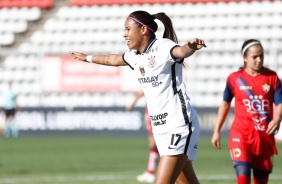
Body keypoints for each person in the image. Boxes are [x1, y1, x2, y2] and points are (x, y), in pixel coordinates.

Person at [71, 10, 206, 184]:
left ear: (143, 29)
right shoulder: (135, 56)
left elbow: (181, 51)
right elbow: (111, 59)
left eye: (128, 29)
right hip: (161, 128)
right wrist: (87, 58)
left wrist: (191, 47)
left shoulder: (162, 47)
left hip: (178, 124)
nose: (124, 34)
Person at [211, 39, 282, 184]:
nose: (259, 60)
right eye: (254, 57)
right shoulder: (235, 79)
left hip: (264, 138)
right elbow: (225, 104)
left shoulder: (272, 77)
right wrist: (216, 130)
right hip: (241, 136)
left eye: (261, 56)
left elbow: (280, 103)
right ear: (245, 58)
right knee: (243, 179)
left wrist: (277, 119)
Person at [125, 91, 159, 183]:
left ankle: (151, 173)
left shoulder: (150, 78)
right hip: (154, 108)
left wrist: (132, 103)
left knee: (154, 144)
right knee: (156, 145)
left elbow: (143, 90)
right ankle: (151, 171)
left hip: (154, 110)